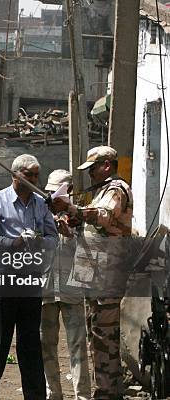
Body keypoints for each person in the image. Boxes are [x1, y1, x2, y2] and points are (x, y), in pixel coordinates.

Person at [0, 154, 59, 400]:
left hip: (29, 281)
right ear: (15, 175)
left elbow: (53, 238)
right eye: (29, 174)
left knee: (30, 344)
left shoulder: (41, 205)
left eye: (36, 175)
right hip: (2, 281)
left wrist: (40, 241)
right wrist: (13, 242)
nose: (34, 179)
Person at [52, 146, 133, 400]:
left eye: (93, 168)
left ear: (107, 166)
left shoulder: (116, 190)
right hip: (93, 274)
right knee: (97, 333)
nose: (90, 175)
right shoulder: (99, 192)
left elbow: (104, 216)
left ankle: (108, 392)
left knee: (105, 335)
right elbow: (93, 223)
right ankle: (107, 389)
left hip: (106, 275)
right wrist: (73, 221)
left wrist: (75, 210)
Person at [41, 169, 91, 400]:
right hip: (46, 290)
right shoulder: (41, 213)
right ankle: (54, 394)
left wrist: (70, 235)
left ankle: (81, 395)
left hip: (72, 290)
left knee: (78, 346)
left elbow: (91, 252)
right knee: (46, 345)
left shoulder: (81, 215)